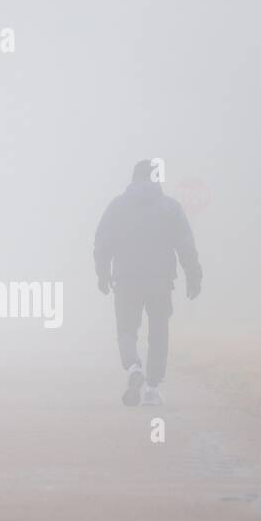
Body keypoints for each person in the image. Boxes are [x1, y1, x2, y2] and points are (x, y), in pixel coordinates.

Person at [93, 160, 202, 406]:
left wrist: (102, 272)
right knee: (158, 333)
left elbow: (102, 241)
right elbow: (185, 244)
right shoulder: (170, 208)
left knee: (126, 329)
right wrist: (193, 274)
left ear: (133, 178)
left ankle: (133, 368)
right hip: (160, 281)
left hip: (126, 279)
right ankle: (152, 388)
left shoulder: (117, 206)